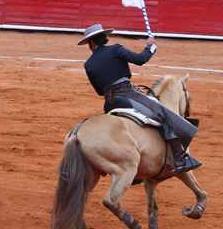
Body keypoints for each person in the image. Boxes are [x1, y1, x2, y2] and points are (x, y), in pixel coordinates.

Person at [80, 24, 201, 174]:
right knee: (163, 114)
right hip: (128, 95)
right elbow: (140, 59)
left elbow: (99, 91)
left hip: (109, 103)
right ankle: (179, 158)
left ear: (91, 43)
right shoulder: (115, 49)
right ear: (104, 38)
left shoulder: (88, 64)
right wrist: (150, 47)